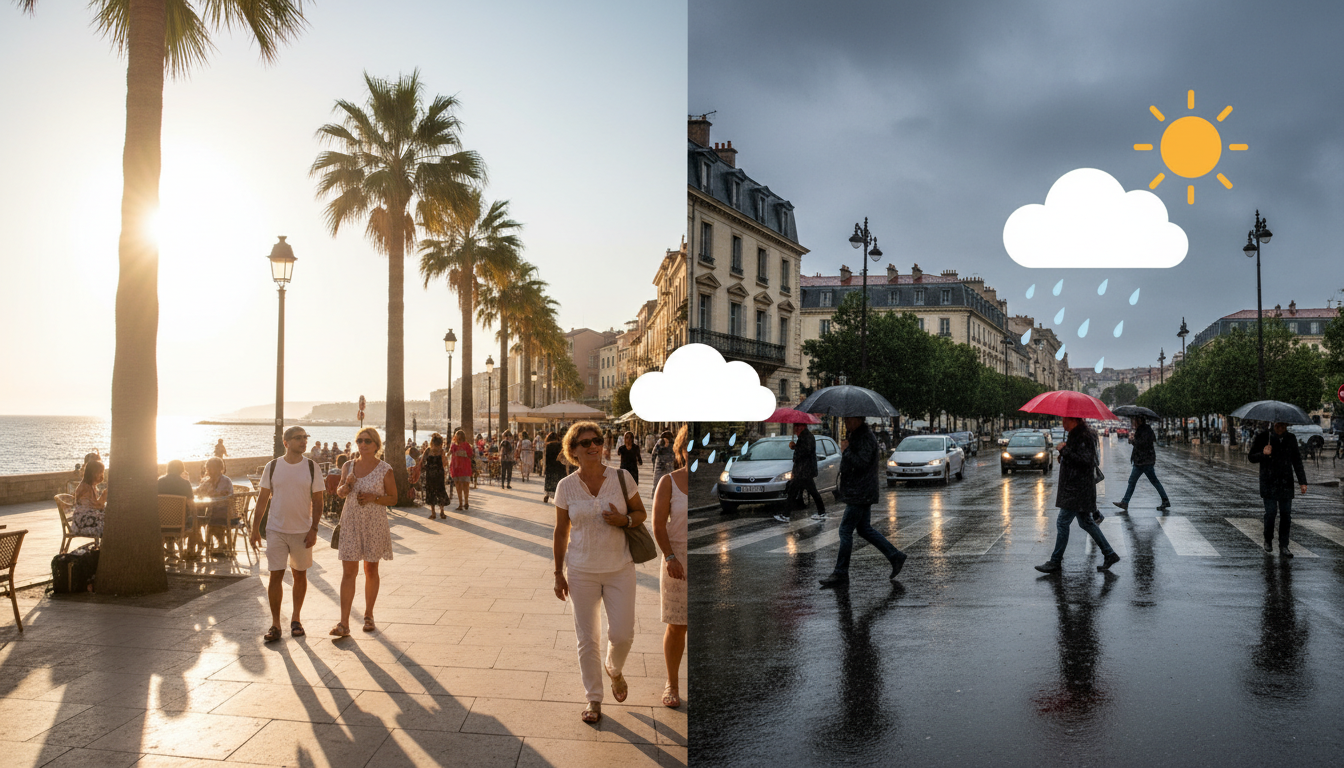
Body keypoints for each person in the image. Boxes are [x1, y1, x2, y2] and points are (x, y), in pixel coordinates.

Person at [551, 421, 646, 724]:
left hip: (620, 568)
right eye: (585, 443)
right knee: (586, 638)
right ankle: (594, 698)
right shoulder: (566, 487)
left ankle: (614, 668)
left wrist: (624, 521)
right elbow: (560, 531)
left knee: (622, 633)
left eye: (597, 440)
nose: (593, 446)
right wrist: (557, 572)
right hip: (580, 571)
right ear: (573, 450)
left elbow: (640, 513)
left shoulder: (621, 478)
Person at [250, 426, 325, 643]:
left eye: (305, 438)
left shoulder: (312, 467)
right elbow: (262, 500)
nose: (303, 441)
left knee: (300, 574)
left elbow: (319, 501)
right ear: (286, 442)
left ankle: (296, 619)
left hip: (302, 531)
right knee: (276, 575)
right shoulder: (272, 467)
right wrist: (255, 529)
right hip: (275, 530)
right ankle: (275, 624)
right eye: (298, 438)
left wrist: (314, 529)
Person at [820, 418, 906, 588]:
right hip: (858, 490)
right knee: (864, 529)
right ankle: (895, 556)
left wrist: (847, 450)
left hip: (861, 491)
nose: (846, 423)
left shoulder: (865, 437)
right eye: (844, 420)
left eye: (848, 420)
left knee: (845, 530)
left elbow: (861, 462)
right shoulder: (856, 435)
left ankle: (840, 572)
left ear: (858, 419)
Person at [331, 427, 397, 637]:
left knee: (371, 570)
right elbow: (340, 493)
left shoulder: (385, 469)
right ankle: (344, 623)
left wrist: (373, 498)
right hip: (351, 522)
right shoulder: (348, 466)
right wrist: (347, 486)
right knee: (348, 572)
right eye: (359, 440)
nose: (363, 444)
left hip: (373, 524)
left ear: (376, 445)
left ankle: (368, 615)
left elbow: (394, 498)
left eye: (367, 441)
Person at [1036, 417, 1120, 574]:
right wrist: (1064, 455)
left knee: (1062, 522)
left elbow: (1086, 460)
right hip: (1077, 487)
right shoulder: (1076, 435)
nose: (1063, 423)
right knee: (1086, 523)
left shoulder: (1083, 436)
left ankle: (1055, 561)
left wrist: (1064, 451)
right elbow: (1076, 459)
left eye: (1065, 420)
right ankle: (1109, 554)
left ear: (1074, 420)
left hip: (1077, 488)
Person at [652, 425, 688, 709]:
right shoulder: (669, 482)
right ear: (682, 449)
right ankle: (672, 683)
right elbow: (657, 525)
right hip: (678, 560)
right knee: (677, 626)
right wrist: (670, 557)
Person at [1248, 421, 1309, 557]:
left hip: (1285, 482)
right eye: (1278, 426)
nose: (1280, 428)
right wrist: (1263, 454)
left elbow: (1297, 461)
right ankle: (1268, 539)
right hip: (1269, 481)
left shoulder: (1291, 438)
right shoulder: (1263, 437)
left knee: (1286, 515)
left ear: (1286, 426)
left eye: (1283, 426)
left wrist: (1302, 482)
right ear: (1273, 425)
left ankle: (1284, 546)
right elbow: (1251, 457)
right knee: (1271, 513)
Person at [1113, 415, 1170, 513]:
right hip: (1143, 460)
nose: (1133, 422)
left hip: (1143, 461)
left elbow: (1142, 444)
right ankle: (1125, 502)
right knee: (1140, 481)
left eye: (1134, 420)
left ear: (1138, 421)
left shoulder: (1144, 430)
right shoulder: (1144, 430)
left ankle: (1125, 502)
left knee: (1139, 481)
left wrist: (1132, 440)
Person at [778, 422, 826, 523]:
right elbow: (805, 450)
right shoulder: (805, 436)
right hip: (804, 471)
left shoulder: (806, 437)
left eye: (797, 427)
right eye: (795, 427)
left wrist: (795, 447)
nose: (795, 429)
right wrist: (795, 446)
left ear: (802, 427)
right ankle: (786, 514)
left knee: (796, 492)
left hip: (803, 471)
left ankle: (786, 515)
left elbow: (805, 451)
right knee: (797, 491)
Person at [195, 456, 235, 554]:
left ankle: (221, 544)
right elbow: (198, 491)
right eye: (207, 468)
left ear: (218, 468)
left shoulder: (225, 481)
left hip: (226, 511)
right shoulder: (207, 481)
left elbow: (219, 494)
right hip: (212, 509)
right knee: (195, 517)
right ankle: (200, 542)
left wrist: (209, 492)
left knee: (212, 519)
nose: (208, 470)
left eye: (210, 468)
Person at [70, 459, 107, 537]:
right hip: (82, 522)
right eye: (100, 472)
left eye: (102, 472)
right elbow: (96, 507)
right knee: (109, 522)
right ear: (93, 473)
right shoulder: (85, 488)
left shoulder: (91, 486)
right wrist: (104, 496)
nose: (102, 475)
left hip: (86, 517)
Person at [420, 433, 451, 519]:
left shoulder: (428, 450)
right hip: (437, 474)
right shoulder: (440, 451)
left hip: (431, 474)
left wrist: (427, 467)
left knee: (434, 492)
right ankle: (440, 512)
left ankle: (436, 512)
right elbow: (445, 463)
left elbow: (422, 462)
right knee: (437, 491)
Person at [448, 430, 474, 511]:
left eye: (459, 438)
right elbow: (449, 453)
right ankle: (461, 504)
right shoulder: (454, 446)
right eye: (457, 437)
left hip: (462, 468)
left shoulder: (466, 445)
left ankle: (465, 503)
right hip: (457, 468)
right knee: (460, 486)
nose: (458, 439)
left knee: (463, 486)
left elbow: (470, 455)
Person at [543, 431, 565, 505]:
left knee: (550, 480)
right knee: (559, 480)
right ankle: (558, 495)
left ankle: (547, 495)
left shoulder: (548, 445)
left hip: (550, 466)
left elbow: (546, 457)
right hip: (559, 465)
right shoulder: (561, 445)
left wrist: (545, 468)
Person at [651, 430, 676, 494]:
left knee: (667, 486)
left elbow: (653, 455)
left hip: (668, 467)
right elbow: (654, 454)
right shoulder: (659, 443)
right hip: (660, 467)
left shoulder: (673, 444)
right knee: (658, 485)